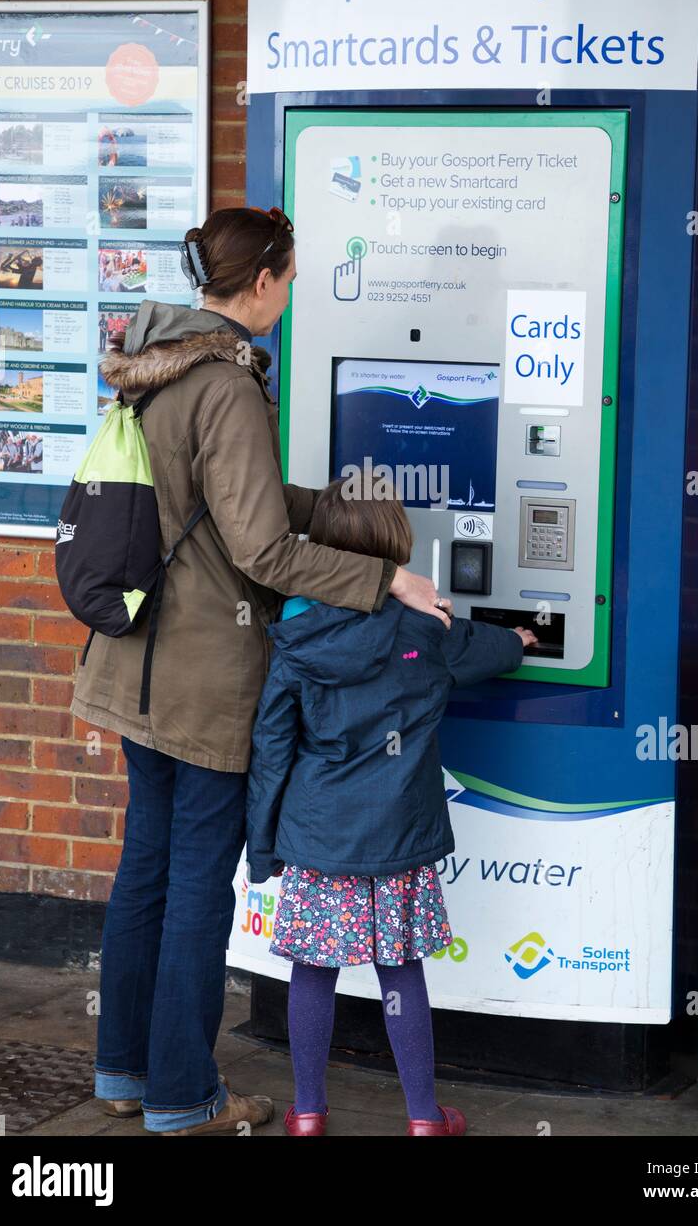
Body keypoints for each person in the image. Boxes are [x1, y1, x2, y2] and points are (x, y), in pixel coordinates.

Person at [70, 206, 452, 1137]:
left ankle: (123, 1072)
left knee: (146, 870)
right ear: (265, 279)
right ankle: (182, 1097)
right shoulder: (230, 383)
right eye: (290, 274)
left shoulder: (158, 365)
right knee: (200, 880)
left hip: (134, 665)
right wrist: (384, 575)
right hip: (202, 682)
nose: (292, 289)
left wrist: (336, 506)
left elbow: (224, 497)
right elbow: (263, 551)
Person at [246, 477, 538, 1137]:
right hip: (399, 828)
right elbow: (483, 651)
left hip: (320, 834)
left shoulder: (295, 635)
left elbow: (270, 749)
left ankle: (309, 1112)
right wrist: (519, 640)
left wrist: (262, 849)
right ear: (395, 549)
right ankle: (424, 1117)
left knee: (313, 969)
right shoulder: (425, 628)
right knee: (399, 966)